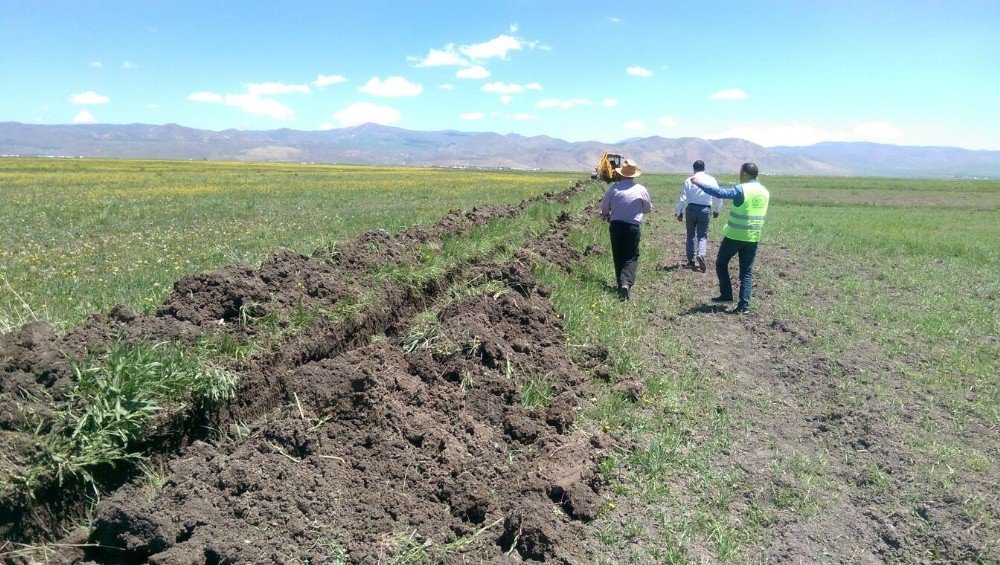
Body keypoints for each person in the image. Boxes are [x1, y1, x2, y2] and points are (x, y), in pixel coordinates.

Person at [690, 162, 770, 314]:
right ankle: (744, 306)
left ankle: (726, 295)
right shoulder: (765, 191)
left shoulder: (742, 189)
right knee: (746, 272)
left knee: (721, 263)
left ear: (745, 174)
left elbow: (721, 193)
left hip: (735, 235)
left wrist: (699, 183)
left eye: (740, 172)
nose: (739, 175)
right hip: (753, 237)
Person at [600, 159, 652, 300]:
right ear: (634, 175)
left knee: (618, 255)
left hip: (615, 225)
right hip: (632, 227)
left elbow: (604, 208)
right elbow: (648, 208)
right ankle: (626, 283)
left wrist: (606, 215)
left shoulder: (613, 189)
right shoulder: (641, 189)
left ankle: (621, 284)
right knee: (631, 255)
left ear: (621, 174)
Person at [676, 160, 722, 272]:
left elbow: (683, 198)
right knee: (702, 235)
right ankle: (701, 255)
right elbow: (717, 195)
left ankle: (691, 260)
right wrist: (717, 209)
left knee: (690, 235)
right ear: (704, 168)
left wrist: (679, 212)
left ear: (694, 169)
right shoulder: (711, 180)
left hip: (691, 209)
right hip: (705, 210)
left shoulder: (688, 180)